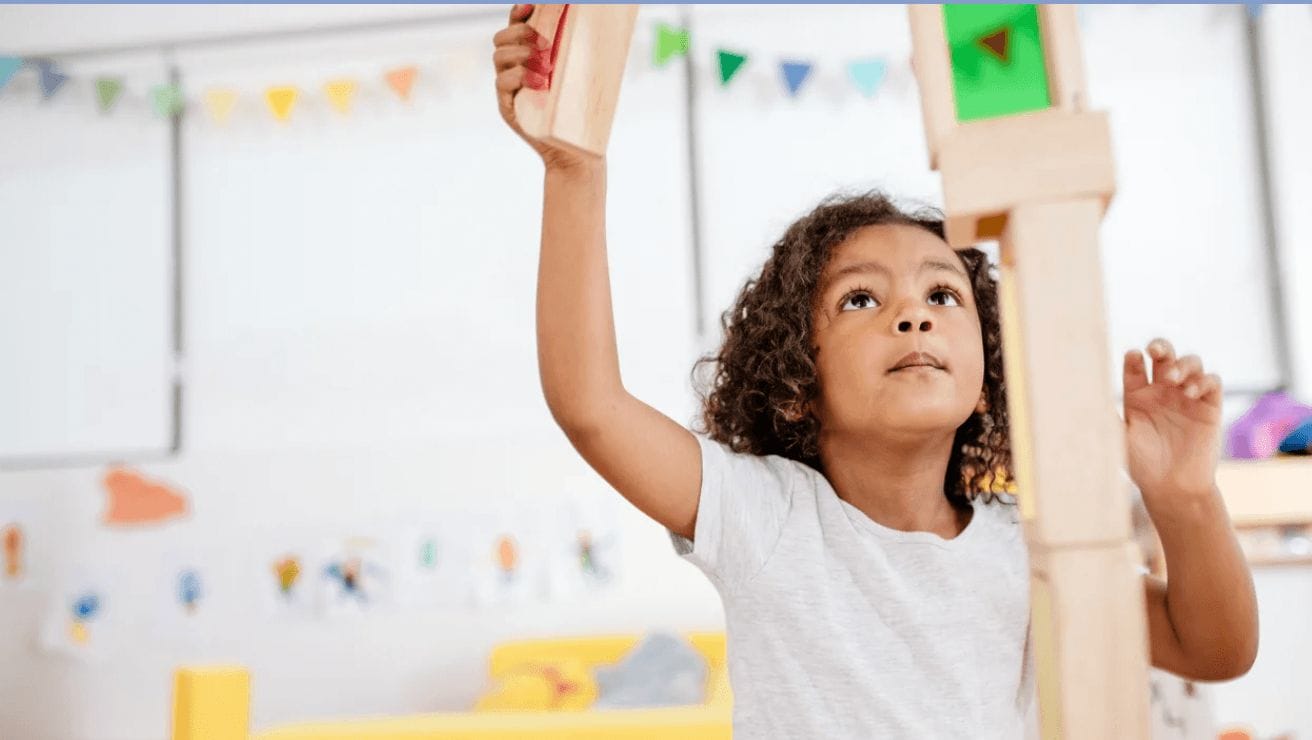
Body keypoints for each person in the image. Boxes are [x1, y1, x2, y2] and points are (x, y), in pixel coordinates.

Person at [492, 5, 1259, 736]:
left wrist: (1184, 496)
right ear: (796, 385)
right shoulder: (766, 518)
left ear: (987, 380)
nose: (914, 315)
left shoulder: (1018, 548)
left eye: (942, 293)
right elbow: (590, 403)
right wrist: (573, 169)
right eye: (861, 298)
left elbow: (1213, 650)